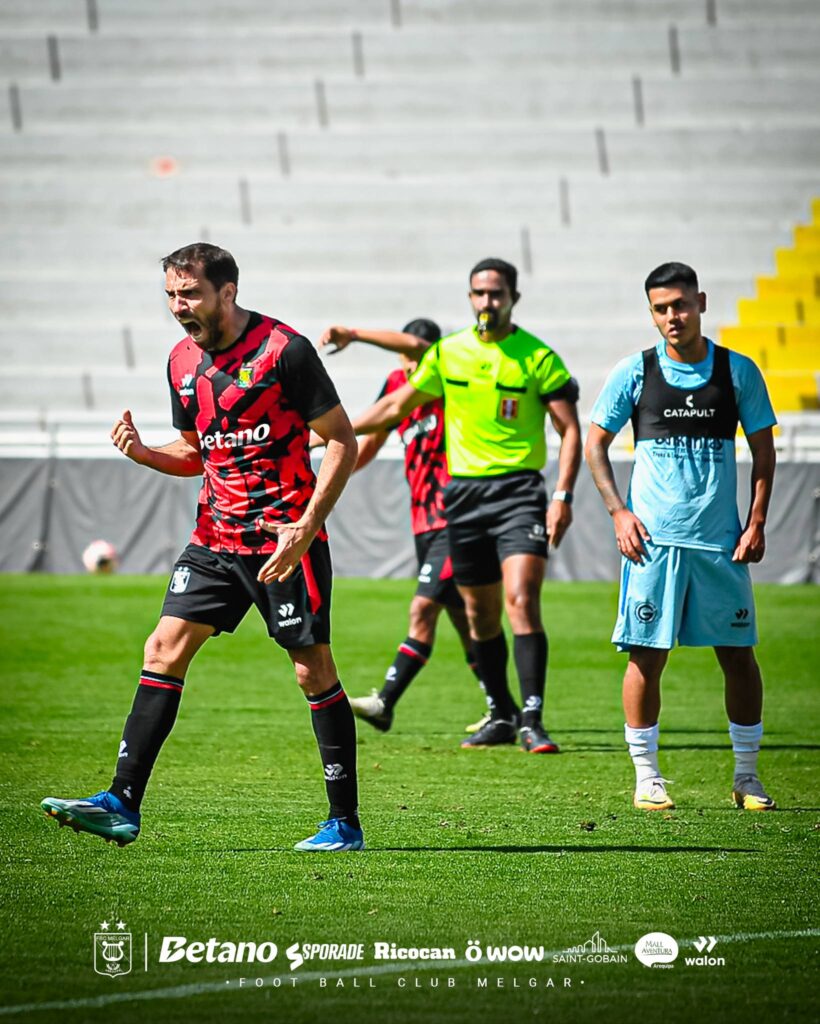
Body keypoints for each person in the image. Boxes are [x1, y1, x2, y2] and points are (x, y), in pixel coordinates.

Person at [41, 242, 365, 852]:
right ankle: (121, 803)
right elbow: (196, 452)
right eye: (170, 294)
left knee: (310, 671)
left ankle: (343, 822)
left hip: (283, 543)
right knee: (162, 648)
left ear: (227, 292)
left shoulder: (284, 351)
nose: (177, 305)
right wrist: (142, 453)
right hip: (214, 539)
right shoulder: (181, 363)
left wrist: (307, 525)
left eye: (188, 293)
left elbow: (341, 440)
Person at [352, 258, 582, 754]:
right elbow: (393, 408)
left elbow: (570, 431)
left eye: (496, 294)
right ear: (470, 297)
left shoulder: (538, 358)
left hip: (520, 493)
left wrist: (562, 494)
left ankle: (534, 720)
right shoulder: (449, 353)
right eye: (478, 294)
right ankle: (503, 711)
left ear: (513, 298)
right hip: (463, 497)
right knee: (478, 618)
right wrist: (325, 428)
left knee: (521, 601)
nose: (486, 302)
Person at [584, 261, 777, 812]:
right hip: (654, 543)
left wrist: (757, 520)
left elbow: (764, 451)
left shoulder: (737, 372)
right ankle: (647, 778)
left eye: (682, 304)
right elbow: (596, 443)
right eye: (662, 308)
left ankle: (747, 777)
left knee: (739, 655)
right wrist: (619, 512)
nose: (673, 316)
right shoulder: (636, 371)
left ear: (702, 303)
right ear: (652, 314)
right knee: (646, 656)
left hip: (720, 544)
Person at [316, 319, 493, 734]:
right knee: (465, 622)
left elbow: (418, 345)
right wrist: (324, 473)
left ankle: (384, 702)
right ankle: (502, 708)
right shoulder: (397, 383)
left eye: (417, 356)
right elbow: (370, 444)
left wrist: (356, 334)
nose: (411, 366)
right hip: (423, 522)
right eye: (406, 360)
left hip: (457, 514)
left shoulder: (447, 377)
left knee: (423, 608)